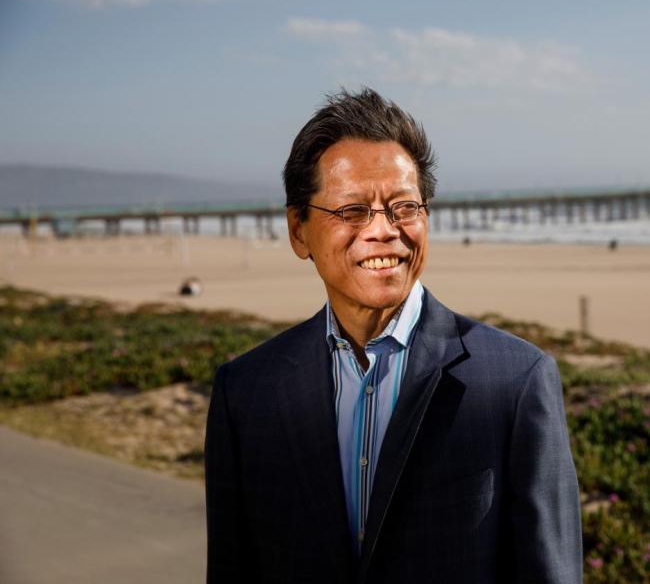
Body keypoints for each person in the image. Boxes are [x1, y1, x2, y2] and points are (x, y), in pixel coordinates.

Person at [204, 88, 582, 583]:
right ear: (298, 230)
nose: (383, 230)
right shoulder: (247, 392)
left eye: (404, 207)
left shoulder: (515, 382)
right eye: (353, 211)